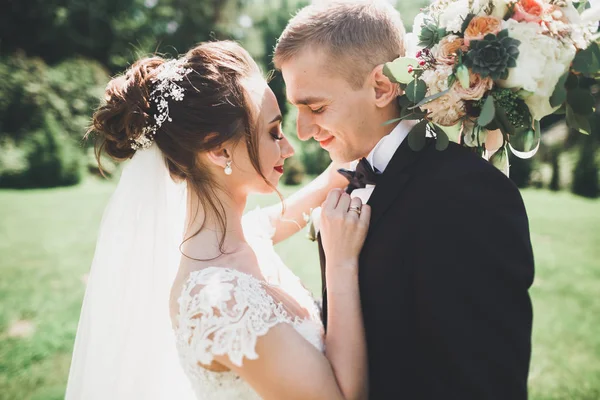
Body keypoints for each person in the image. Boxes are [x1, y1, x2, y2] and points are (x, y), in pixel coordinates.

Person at [65, 40, 371, 400]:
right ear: (219, 149)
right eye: (273, 132)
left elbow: (332, 178)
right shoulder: (219, 303)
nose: (288, 147)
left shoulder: (248, 236)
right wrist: (340, 264)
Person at [274, 1, 535, 399]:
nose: (304, 131)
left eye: (316, 107)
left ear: (381, 87)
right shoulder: (343, 182)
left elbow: (486, 380)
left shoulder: (469, 194)